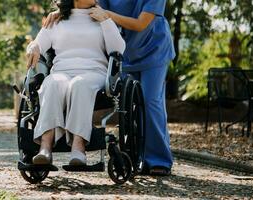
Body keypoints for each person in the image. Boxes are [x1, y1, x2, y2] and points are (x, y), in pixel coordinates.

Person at [44, 0, 175, 175]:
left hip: (154, 50)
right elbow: (86, 6)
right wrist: (61, 11)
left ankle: (159, 160)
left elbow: (141, 24)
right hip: (125, 55)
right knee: (131, 107)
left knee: (151, 101)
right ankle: (138, 156)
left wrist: (108, 16)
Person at [26, 0, 125, 166]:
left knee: (79, 84)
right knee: (52, 83)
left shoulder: (101, 16)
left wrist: (106, 20)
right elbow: (39, 44)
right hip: (62, 71)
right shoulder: (56, 19)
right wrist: (33, 47)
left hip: (94, 72)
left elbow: (118, 49)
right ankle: (45, 147)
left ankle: (78, 148)